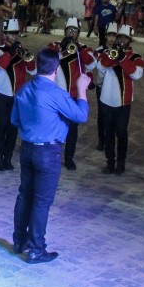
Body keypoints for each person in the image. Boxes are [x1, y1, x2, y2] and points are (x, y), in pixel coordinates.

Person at [11, 47, 90, 264]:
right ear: (56, 69)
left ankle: (19, 240)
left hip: (27, 148)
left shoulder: (24, 89)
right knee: (41, 202)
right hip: (48, 152)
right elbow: (81, 115)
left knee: (24, 195)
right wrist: (82, 89)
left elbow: (15, 120)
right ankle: (36, 249)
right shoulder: (56, 93)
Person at [95, 25, 144, 174]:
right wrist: (113, 55)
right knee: (108, 132)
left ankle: (121, 162)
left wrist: (122, 57)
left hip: (123, 101)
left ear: (130, 41)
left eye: (125, 38)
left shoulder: (136, 57)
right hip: (106, 99)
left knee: (121, 132)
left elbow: (136, 74)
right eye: (120, 37)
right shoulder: (107, 53)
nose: (122, 40)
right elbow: (101, 66)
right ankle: (110, 162)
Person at [50, 17, 95, 171]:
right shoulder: (55, 45)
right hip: (58, 94)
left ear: (78, 32)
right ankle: (53, 156)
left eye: (74, 30)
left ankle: (69, 157)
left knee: (73, 129)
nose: (71, 32)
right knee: (55, 127)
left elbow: (91, 63)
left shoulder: (84, 48)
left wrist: (78, 49)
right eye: (69, 30)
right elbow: (46, 60)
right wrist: (60, 49)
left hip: (75, 95)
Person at [0, 19, 37, 171]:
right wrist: (10, 53)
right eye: (11, 34)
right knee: (1, 127)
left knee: (12, 129)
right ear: (5, 34)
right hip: (0, 95)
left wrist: (24, 55)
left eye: (15, 33)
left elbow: (33, 71)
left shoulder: (22, 52)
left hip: (17, 96)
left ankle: (8, 158)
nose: (13, 36)